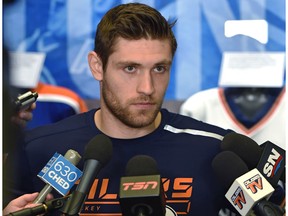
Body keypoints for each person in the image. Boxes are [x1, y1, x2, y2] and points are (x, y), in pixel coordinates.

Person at [3, 3, 284, 215]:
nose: (147, 87)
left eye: (159, 68)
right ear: (97, 66)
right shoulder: (36, 149)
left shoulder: (217, 153)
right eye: (130, 68)